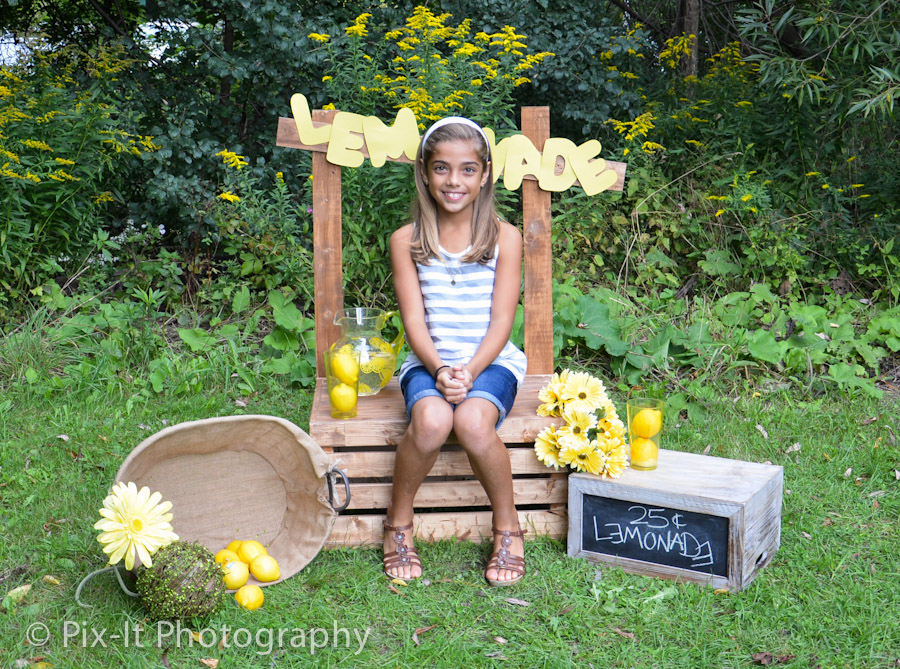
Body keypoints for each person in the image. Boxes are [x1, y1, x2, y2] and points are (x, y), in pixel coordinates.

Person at [385, 116, 528, 587]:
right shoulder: (407, 241)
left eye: (468, 169)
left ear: (484, 175)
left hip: (491, 361)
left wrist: (468, 371)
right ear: (425, 173)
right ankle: (398, 522)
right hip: (430, 360)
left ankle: (508, 526)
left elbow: (502, 322)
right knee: (431, 421)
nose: (454, 180)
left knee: (471, 422)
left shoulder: (504, 238)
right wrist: (442, 369)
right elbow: (413, 322)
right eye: (442, 168)